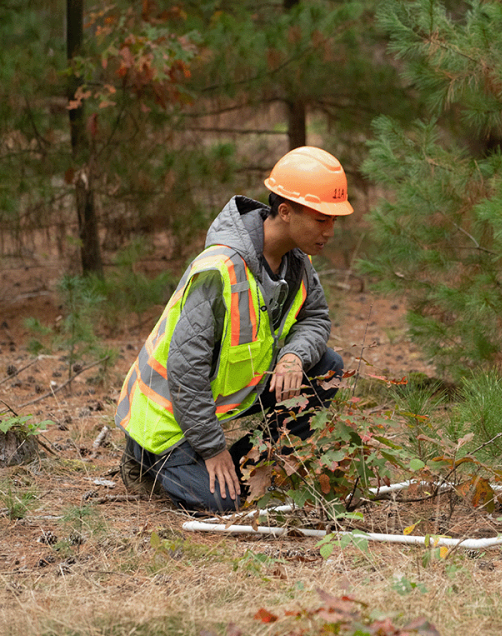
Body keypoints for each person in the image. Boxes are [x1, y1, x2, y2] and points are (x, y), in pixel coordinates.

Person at [115, 146, 352, 513]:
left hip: (227, 397)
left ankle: (246, 467)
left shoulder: (297, 262)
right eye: (322, 219)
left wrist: (293, 356)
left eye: (334, 221)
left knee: (327, 368)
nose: (331, 231)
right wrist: (212, 448)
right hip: (165, 419)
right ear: (285, 212)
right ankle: (146, 460)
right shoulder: (220, 267)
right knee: (223, 503)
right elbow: (185, 369)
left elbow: (316, 318)